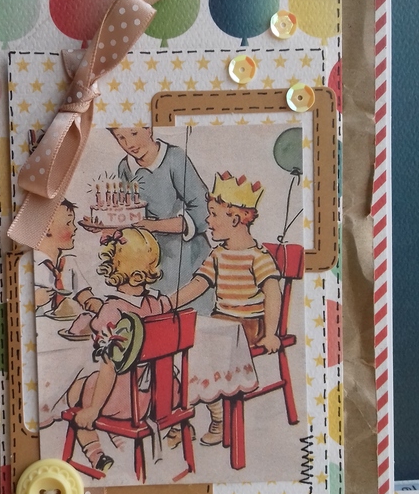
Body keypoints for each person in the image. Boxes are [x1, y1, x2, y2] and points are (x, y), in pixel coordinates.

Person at [66, 228, 192, 473]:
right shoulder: (157, 304)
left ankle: (96, 454)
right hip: (164, 396)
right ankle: (119, 440)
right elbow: (179, 298)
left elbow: (109, 367)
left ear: (112, 268)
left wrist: (93, 409)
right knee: (91, 386)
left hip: (125, 402)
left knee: (75, 395)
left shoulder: (112, 311)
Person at [173, 171, 282, 445]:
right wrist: (168, 303)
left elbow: (272, 294)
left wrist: (271, 333)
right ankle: (181, 416)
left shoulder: (258, 257)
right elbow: (199, 284)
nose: (207, 221)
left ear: (234, 219)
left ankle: (218, 417)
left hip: (249, 326)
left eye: (213, 214)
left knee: (201, 348)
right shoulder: (218, 255)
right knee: (182, 341)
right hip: (221, 323)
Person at [108, 127, 211, 310]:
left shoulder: (174, 158)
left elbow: (203, 211)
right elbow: (130, 215)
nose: (129, 144)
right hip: (151, 266)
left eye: (134, 133)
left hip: (187, 263)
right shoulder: (125, 167)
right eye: (120, 137)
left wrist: (154, 226)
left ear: (148, 129)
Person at [34, 199, 102, 316]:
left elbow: (82, 293)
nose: (74, 228)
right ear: (47, 227)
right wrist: (34, 300)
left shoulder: (68, 262)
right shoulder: (31, 264)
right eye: (68, 223)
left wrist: (92, 301)